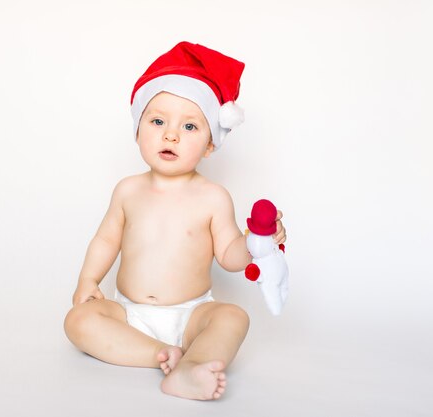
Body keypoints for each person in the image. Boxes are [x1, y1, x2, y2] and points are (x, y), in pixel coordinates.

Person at [63, 41, 286, 401]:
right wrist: (88, 280)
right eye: (157, 121)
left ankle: (192, 364)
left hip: (191, 314)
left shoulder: (213, 197)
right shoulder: (128, 190)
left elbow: (229, 255)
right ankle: (159, 355)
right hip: (129, 312)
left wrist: (256, 242)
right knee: (77, 320)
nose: (171, 134)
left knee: (233, 316)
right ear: (138, 131)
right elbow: (105, 240)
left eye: (190, 127)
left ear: (210, 144)